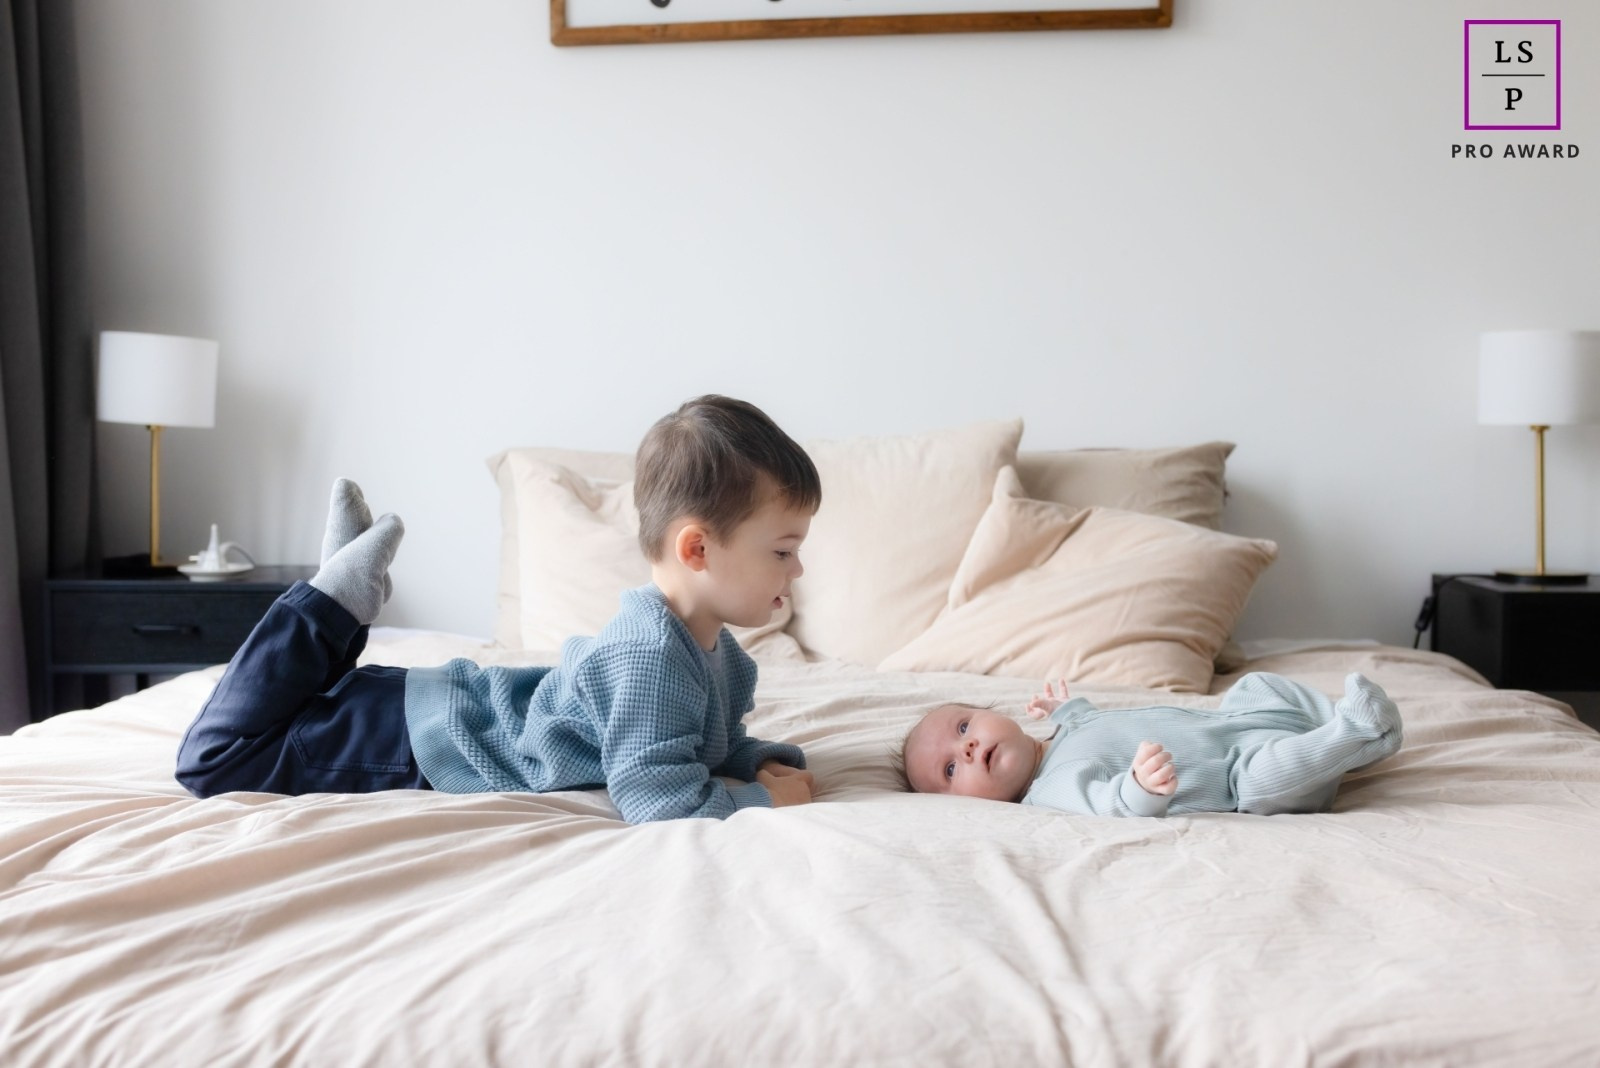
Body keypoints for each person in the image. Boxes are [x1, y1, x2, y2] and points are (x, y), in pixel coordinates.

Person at [176, 395, 821, 823]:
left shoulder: (719, 656)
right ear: (698, 548)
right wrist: (760, 800)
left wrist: (763, 758)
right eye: (784, 551)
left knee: (311, 703)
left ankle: (336, 613)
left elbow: (700, 746)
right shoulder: (650, 657)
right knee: (218, 758)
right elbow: (655, 795)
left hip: (435, 710)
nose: (796, 571)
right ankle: (327, 604)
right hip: (418, 746)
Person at [901, 672, 1403, 817]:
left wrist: (1069, 712)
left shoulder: (1064, 738)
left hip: (1236, 724)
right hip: (1237, 774)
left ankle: (1328, 726)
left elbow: (1098, 726)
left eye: (964, 727)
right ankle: (1356, 733)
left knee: (1256, 685)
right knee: (1261, 781)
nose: (965, 750)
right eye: (949, 771)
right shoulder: (1051, 791)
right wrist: (1141, 789)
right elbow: (1110, 803)